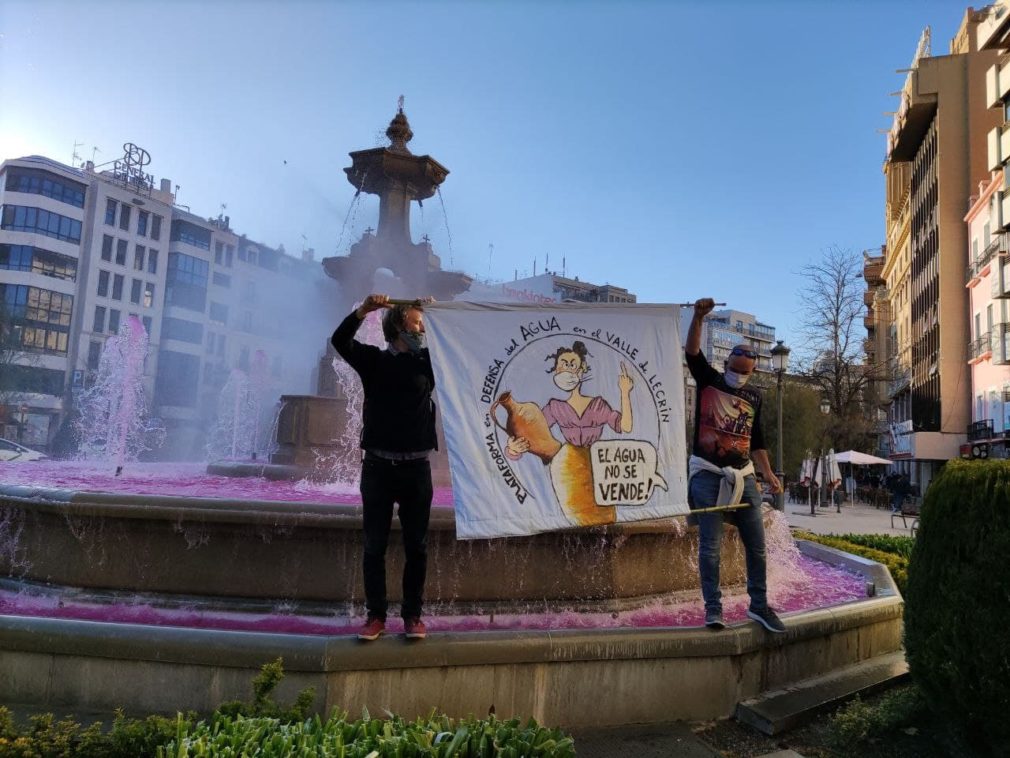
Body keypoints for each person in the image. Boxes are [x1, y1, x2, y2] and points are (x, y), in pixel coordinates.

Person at [331, 293, 436, 641]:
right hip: (378, 467)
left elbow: (466, 351)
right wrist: (363, 310)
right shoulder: (373, 361)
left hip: (416, 469)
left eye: (423, 323)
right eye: (418, 322)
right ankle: (375, 616)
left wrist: (438, 312)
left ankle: (412, 616)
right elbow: (340, 340)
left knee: (416, 547)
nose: (421, 328)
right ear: (398, 325)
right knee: (374, 546)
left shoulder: (429, 363)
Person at [685, 297, 786, 634]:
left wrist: (768, 473)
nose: (738, 376)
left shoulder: (755, 398)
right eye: (735, 368)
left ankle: (759, 606)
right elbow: (693, 353)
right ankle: (713, 610)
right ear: (725, 362)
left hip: (744, 477)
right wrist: (699, 318)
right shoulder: (709, 381)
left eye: (745, 373)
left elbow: (756, 439)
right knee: (710, 546)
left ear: (752, 372)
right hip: (708, 475)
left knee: (757, 545)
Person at [504, 341, 634, 526]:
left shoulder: (597, 405)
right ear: (556, 371)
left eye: (572, 364)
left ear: (581, 370)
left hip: (598, 464)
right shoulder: (555, 407)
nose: (567, 369)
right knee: (576, 519)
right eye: (562, 365)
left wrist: (625, 393)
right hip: (567, 466)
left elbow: (626, 426)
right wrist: (513, 449)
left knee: (605, 518)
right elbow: (533, 433)